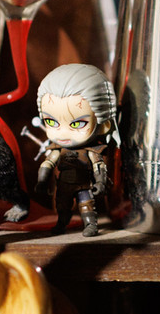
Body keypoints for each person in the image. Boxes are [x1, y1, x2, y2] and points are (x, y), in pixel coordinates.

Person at [34, 63, 117, 237]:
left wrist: (100, 182)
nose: (63, 132)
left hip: (84, 185)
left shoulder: (91, 150)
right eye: (51, 122)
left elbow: (98, 165)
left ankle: (90, 225)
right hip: (64, 184)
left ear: (104, 124)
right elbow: (48, 163)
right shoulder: (57, 149)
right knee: (62, 205)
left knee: (86, 205)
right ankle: (61, 223)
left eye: (78, 123)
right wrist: (42, 181)